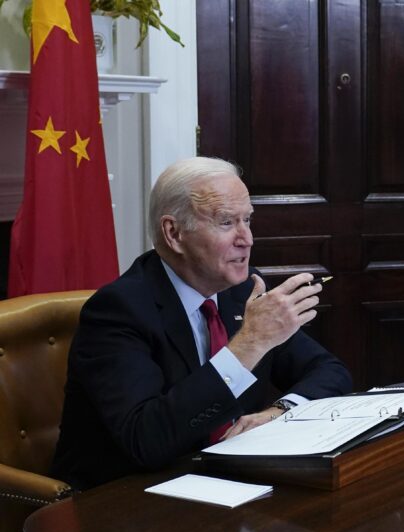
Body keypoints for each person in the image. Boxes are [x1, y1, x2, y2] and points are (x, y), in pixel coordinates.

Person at [51, 157, 353, 490]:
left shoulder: (242, 289)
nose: (247, 239)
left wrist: (279, 411)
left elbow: (330, 371)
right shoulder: (118, 310)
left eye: (247, 220)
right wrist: (249, 344)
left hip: (226, 485)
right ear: (174, 233)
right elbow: (146, 441)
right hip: (126, 500)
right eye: (227, 222)